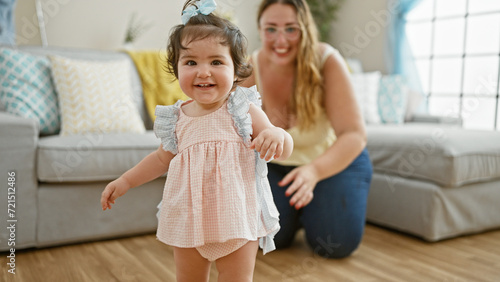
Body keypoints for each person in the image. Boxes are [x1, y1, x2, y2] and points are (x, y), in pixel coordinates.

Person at [100, 0, 293, 281]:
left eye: (216, 61)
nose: (203, 71)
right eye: (191, 62)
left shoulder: (242, 109)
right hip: (189, 221)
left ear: (236, 69)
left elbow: (283, 149)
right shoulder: (177, 118)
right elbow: (159, 159)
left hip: (237, 218)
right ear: (176, 69)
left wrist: (277, 135)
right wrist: (126, 181)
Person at [240, 0, 373, 259]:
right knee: (269, 240)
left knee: (336, 242)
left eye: (291, 29)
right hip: (277, 167)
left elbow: (354, 135)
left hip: (332, 162)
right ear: (260, 30)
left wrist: (314, 171)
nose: (281, 40)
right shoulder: (250, 68)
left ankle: (312, 208)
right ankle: (297, 214)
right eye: (271, 30)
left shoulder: (327, 60)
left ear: (305, 29)